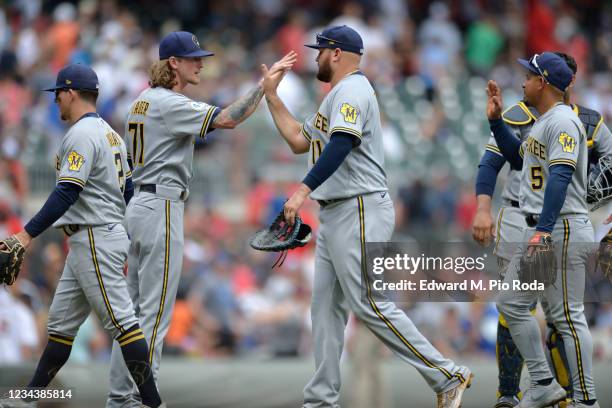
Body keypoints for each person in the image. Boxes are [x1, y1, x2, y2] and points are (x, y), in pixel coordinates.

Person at [261, 25, 472, 408]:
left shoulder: (354, 90)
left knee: (370, 303)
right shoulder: (334, 97)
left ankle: (446, 374)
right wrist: (272, 96)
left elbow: (341, 144)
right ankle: (320, 401)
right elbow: (297, 141)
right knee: (324, 310)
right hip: (336, 212)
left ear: (337, 53)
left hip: (359, 206)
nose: (315, 57)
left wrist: (301, 191)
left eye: (320, 50)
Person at [106, 31, 296, 407]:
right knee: (155, 314)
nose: (201, 63)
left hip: (139, 206)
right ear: (173, 63)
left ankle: (119, 397)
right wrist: (264, 87)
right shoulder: (168, 102)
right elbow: (227, 119)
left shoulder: (141, 102)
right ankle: (143, 399)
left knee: (130, 315)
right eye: (193, 58)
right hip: (160, 206)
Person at [0, 64, 164, 408]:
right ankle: (28, 398)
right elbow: (129, 189)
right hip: (93, 236)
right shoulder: (111, 134)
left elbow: (66, 192)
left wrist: (26, 236)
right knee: (61, 325)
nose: (55, 100)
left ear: (71, 93)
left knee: (123, 323)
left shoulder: (81, 134)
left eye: (57, 93)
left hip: (94, 235)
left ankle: (153, 402)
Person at [473, 52, 612, 408]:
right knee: (513, 304)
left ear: (545, 82)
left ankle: (586, 399)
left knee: (565, 317)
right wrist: (495, 124)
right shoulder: (547, 121)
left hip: (560, 229)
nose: (524, 80)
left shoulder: (564, 122)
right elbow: (520, 159)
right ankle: (543, 382)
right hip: (547, 227)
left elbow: (562, 177)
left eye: (530, 75)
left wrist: (544, 231)